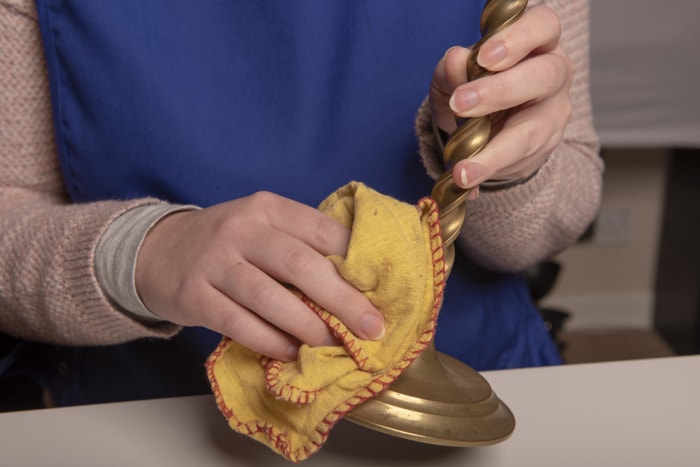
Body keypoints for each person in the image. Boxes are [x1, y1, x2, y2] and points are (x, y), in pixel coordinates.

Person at [0, 0, 602, 407]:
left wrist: (500, 167)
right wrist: (142, 254)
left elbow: (551, 221)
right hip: (149, 413)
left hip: (476, 388)